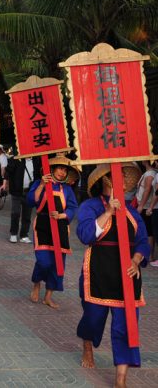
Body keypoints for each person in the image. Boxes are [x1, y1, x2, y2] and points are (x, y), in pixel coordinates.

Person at [76, 163, 148, 388]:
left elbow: (143, 243)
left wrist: (136, 260)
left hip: (126, 276)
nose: (122, 182)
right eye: (117, 176)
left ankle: (121, 378)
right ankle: (88, 345)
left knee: (126, 326)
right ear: (106, 180)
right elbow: (86, 235)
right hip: (98, 270)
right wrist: (108, 212)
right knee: (93, 318)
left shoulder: (133, 212)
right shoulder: (90, 206)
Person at [27, 154, 78, 309]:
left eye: (65, 170)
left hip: (60, 228)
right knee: (44, 261)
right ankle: (36, 284)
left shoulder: (67, 189)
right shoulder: (39, 183)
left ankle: (48, 296)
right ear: (53, 169)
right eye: (60, 169)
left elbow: (72, 208)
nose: (62, 173)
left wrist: (62, 215)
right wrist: (42, 185)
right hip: (42, 225)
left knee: (57, 264)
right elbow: (31, 201)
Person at [2, 155, 41, 243]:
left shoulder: (36, 160)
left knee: (27, 214)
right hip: (16, 191)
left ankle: (24, 235)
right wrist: (4, 184)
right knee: (15, 213)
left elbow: (38, 175)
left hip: (29, 192)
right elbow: (7, 172)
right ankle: (13, 234)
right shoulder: (16, 159)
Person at [142, 161, 158, 265]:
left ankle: (150, 256)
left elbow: (156, 193)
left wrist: (150, 207)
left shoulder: (152, 174)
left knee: (154, 232)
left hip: (155, 207)